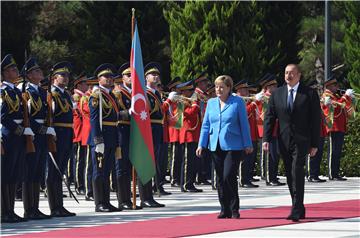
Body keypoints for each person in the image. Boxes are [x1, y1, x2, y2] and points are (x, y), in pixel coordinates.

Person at [263, 64, 320, 222]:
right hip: (284, 139)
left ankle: (296, 208)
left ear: (299, 75)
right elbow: (270, 117)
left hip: (302, 140)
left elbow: (316, 120)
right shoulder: (277, 93)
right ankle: (299, 206)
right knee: (289, 173)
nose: (288, 76)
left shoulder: (309, 93)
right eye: (286, 73)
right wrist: (266, 139)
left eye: (292, 73)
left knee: (297, 171)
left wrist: (315, 144)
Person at [196, 75, 253, 219]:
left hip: (233, 145)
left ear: (229, 88)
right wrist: (201, 144)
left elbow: (244, 124)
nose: (218, 89)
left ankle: (234, 207)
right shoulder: (211, 103)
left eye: (222, 86)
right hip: (215, 144)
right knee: (220, 178)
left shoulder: (238, 102)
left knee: (229, 175)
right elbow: (206, 125)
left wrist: (248, 143)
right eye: (216, 87)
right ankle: (224, 208)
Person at [1, 54, 33, 223]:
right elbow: (3, 116)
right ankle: (4, 211)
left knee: (15, 174)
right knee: (6, 174)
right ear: (5, 73)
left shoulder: (15, 91)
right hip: (9, 135)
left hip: (19, 134)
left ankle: (11, 210)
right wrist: (19, 129)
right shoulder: (3, 92)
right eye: (12, 69)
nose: (16, 71)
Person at [20, 57, 52, 220]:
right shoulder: (26, 92)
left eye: (40, 70)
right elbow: (27, 115)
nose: (40, 72)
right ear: (29, 75)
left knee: (38, 172)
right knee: (29, 172)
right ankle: (28, 208)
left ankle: (36, 207)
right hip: (32, 134)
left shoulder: (41, 91)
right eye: (36, 71)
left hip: (42, 135)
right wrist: (42, 129)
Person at [88, 63, 122, 212]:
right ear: (98, 79)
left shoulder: (111, 96)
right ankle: (99, 203)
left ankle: (106, 201)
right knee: (99, 171)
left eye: (110, 76)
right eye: (105, 76)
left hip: (111, 137)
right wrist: (97, 140)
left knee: (107, 170)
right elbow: (94, 119)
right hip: (101, 139)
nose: (109, 79)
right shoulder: (97, 95)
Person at [47, 61, 76, 217]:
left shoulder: (65, 94)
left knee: (61, 171)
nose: (65, 78)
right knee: (53, 172)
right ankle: (54, 206)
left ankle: (60, 205)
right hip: (57, 134)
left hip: (67, 134)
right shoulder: (52, 94)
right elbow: (49, 116)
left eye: (67, 75)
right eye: (62, 75)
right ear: (54, 78)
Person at [321, 76, 355, 181]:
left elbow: (344, 106)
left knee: (337, 151)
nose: (337, 87)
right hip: (333, 126)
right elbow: (337, 106)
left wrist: (350, 98)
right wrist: (346, 96)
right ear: (329, 86)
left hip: (339, 126)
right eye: (335, 85)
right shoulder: (327, 95)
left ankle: (335, 173)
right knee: (333, 151)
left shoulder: (334, 95)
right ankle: (332, 174)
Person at [234, 79, 260, 188]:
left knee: (250, 158)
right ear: (239, 90)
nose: (247, 91)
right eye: (244, 89)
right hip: (244, 133)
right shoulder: (237, 100)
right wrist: (254, 103)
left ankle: (248, 178)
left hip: (252, 132)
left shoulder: (246, 100)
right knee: (244, 158)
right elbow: (245, 112)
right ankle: (243, 180)